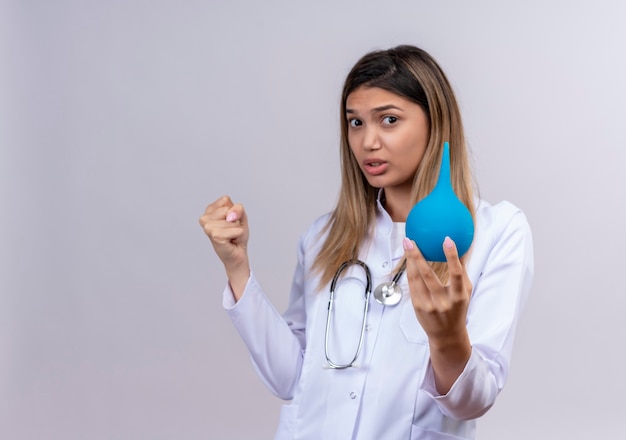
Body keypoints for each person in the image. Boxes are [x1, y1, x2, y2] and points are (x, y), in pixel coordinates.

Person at [199, 45, 533, 440]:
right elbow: (289, 380)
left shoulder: (496, 233)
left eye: (388, 120)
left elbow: (473, 401)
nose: (367, 142)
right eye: (355, 123)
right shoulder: (324, 237)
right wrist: (238, 268)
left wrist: (447, 339)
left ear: (436, 123)